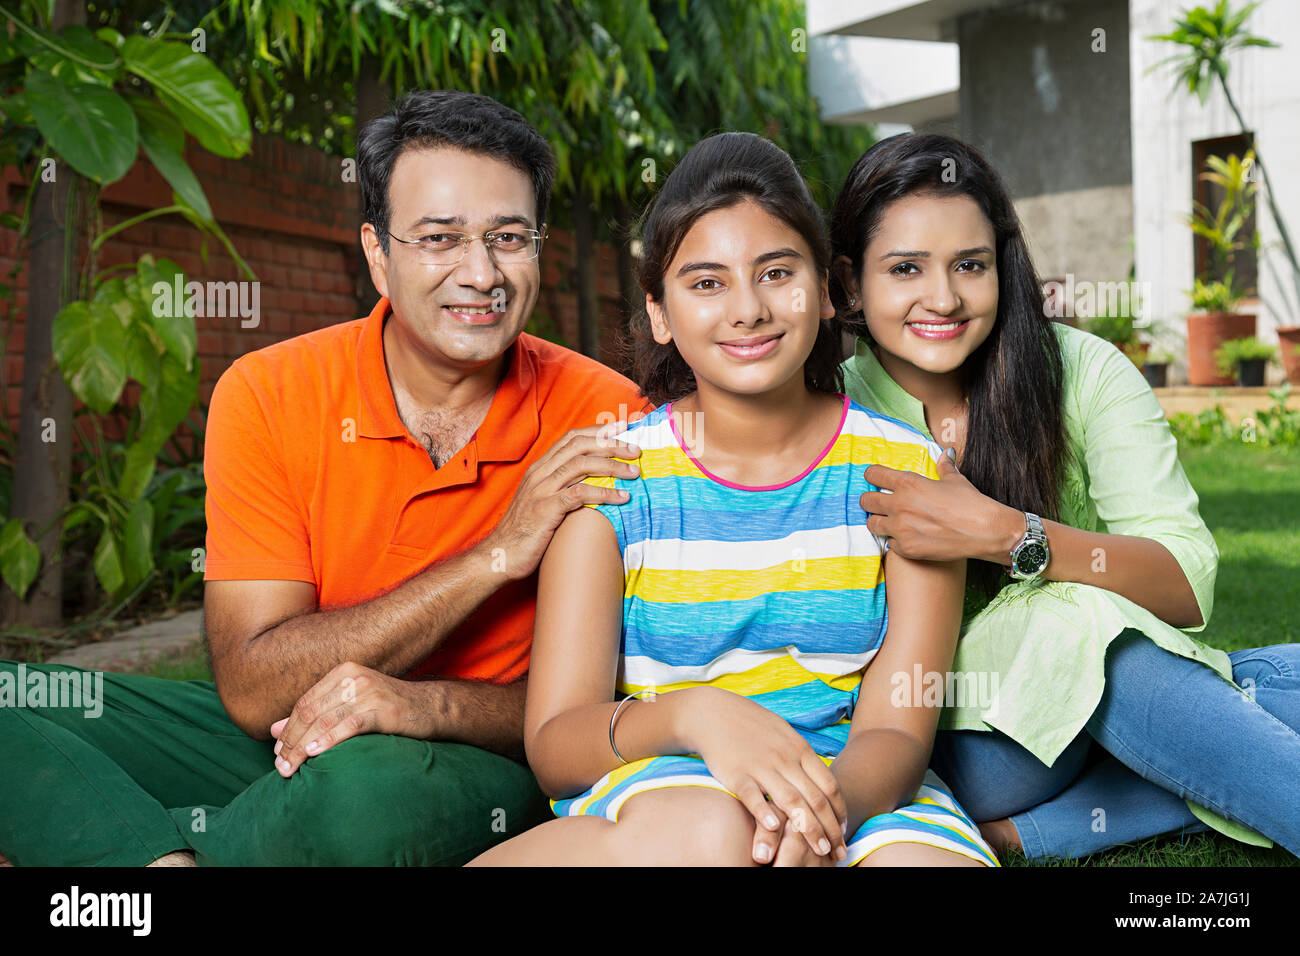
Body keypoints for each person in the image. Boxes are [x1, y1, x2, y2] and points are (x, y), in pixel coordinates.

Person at [0, 90, 654, 867]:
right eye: (439, 239)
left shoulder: (607, 414)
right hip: (279, 736)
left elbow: (618, 700)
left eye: (509, 238)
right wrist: (496, 557)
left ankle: (143, 847)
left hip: (466, 757)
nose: (481, 273)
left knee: (357, 796)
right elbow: (252, 688)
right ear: (377, 254)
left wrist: (424, 704)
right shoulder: (270, 392)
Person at [469, 132, 999, 867]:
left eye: (776, 272)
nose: (747, 310)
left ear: (824, 286)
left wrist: (810, 815)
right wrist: (693, 715)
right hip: (665, 787)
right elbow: (558, 745)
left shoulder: (904, 476)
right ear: (660, 312)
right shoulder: (614, 483)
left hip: (857, 791)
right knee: (716, 837)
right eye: (707, 283)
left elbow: (898, 734)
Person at [829, 131, 1300, 860]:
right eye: (905, 269)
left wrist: (1009, 534)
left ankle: (1035, 833)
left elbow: (1188, 582)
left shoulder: (1082, 369)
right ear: (851, 284)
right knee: (1086, 624)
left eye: (970, 265)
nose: (944, 297)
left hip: (1092, 714)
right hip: (951, 748)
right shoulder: (830, 410)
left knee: (1272, 681)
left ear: (1002, 266)